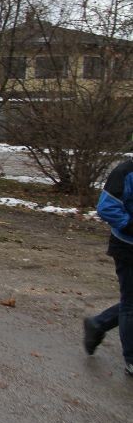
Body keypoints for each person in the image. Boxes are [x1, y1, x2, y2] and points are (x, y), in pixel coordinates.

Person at [83, 158, 133, 376]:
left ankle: (98, 324)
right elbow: (106, 207)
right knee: (131, 303)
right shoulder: (125, 172)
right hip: (127, 247)